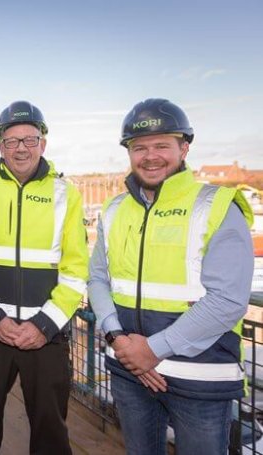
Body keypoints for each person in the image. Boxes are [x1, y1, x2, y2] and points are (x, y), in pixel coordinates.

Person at [88, 98, 254, 454]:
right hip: (129, 369)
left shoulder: (216, 206)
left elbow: (227, 300)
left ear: (184, 147)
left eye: (162, 145)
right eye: (139, 147)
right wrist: (119, 339)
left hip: (199, 379)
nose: (150, 156)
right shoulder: (115, 209)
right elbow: (98, 279)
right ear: (129, 152)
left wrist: (153, 349)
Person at [0, 101, 89, 455]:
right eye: (11, 140)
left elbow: (76, 268)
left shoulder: (66, 193)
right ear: (0, 146)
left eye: (29, 140)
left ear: (43, 143)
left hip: (45, 336)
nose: (20, 148)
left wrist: (44, 325)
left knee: (51, 431)